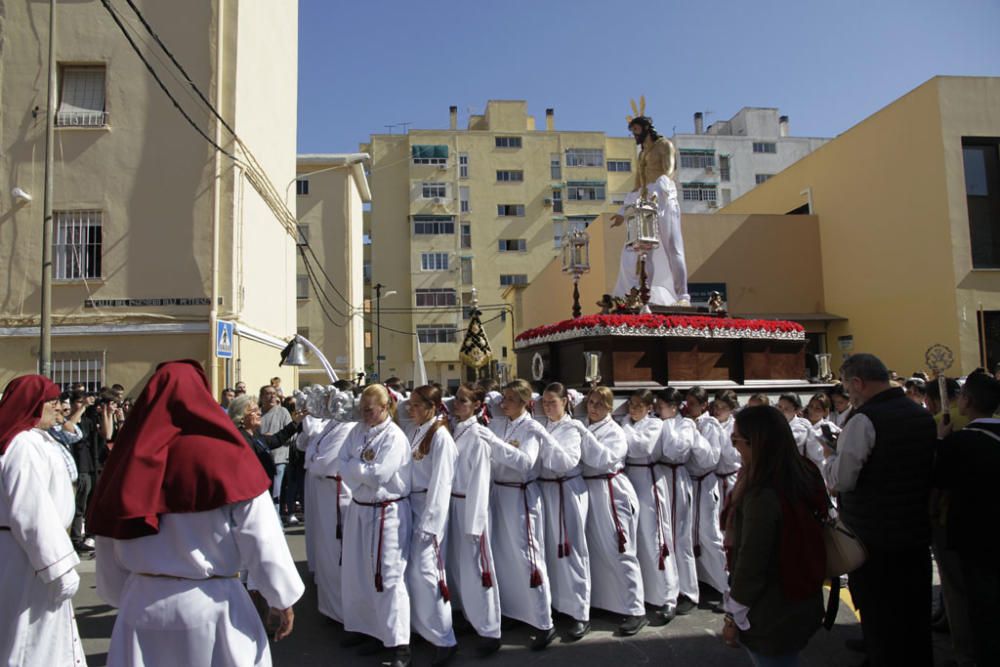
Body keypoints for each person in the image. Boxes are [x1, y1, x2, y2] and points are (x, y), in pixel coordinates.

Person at [89, 360, 304, 667]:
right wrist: (281, 598)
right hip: (212, 607)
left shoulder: (126, 459)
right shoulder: (228, 457)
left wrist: (121, 593)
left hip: (143, 604)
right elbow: (261, 537)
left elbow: (108, 534)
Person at [820, 353, 936, 667]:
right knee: (913, 607)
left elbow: (842, 479)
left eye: (847, 385)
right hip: (914, 527)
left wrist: (831, 455)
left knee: (880, 608)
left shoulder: (865, 420)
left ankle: (883, 654)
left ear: (858, 382)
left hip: (874, 533)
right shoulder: (919, 413)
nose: (848, 393)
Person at [720, 405, 828, 666]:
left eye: (737, 440)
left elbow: (752, 560)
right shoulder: (801, 470)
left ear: (757, 443)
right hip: (802, 592)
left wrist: (734, 615)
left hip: (773, 606)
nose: (735, 448)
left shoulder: (762, 493)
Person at [0, 375, 87, 666]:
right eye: (52, 402)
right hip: (28, 556)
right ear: (34, 405)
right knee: (29, 644)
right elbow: (31, 511)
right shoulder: (23, 444)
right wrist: (58, 566)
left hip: (33, 552)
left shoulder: (39, 440)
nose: (60, 408)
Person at [337, 384, 413, 667]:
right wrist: (359, 471)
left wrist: (355, 469)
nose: (365, 414)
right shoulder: (357, 431)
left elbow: (380, 474)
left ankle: (399, 644)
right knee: (360, 573)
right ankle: (371, 630)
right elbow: (339, 463)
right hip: (360, 509)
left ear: (385, 408)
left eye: (370, 409)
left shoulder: (393, 436)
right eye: (362, 409)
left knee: (389, 577)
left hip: (386, 512)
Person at [483, 379, 556, 650]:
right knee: (504, 555)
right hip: (499, 494)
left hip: (521, 495)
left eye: (510, 399)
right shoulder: (500, 423)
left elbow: (526, 462)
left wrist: (495, 444)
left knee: (528, 556)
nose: (504, 404)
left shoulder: (531, 428)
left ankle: (543, 621)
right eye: (503, 398)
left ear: (525, 402)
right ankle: (516, 610)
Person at [936, 373, 1000, 665]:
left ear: (969, 401)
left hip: (975, 536)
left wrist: (941, 441)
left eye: (961, 395)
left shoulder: (960, 442)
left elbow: (939, 479)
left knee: (981, 605)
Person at [580, 386, 647, 635]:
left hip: (611, 490)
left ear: (609, 407)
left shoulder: (615, 432)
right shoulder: (586, 425)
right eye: (590, 403)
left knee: (621, 549)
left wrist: (584, 437)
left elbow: (604, 459)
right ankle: (605, 601)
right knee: (596, 549)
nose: (593, 407)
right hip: (590, 490)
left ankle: (636, 609)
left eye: (599, 404)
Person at [610, 114, 689, 306]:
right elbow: (637, 185)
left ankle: (683, 296)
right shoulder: (641, 154)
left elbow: (669, 171)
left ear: (646, 128)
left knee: (673, 248)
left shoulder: (664, 145)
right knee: (644, 250)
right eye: (632, 132)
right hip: (645, 204)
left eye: (636, 130)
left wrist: (660, 188)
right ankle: (645, 296)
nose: (634, 135)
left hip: (663, 199)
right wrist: (622, 212)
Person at [404, 386, 458, 665]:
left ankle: (444, 637)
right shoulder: (417, 431)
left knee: (428, 574)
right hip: (411, 507)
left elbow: (441, 483)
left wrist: (431, 523)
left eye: (415, 405)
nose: (409, 409)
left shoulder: (440, 437)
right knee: (413, 573)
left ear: (431, 406)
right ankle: (421, 627)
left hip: (428, 510)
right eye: (410, 404)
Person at [447, 384, 501, 656]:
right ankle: (470, 615)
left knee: (480, 569)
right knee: (460, 567)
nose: (457, 404)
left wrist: (475, 523)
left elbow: (480, 481)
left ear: (477, 405)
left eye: (463, 401)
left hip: (471, 505)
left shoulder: (478, 436)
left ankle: (490, 629)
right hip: (455, 503)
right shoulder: (458, 430)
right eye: (456, 399)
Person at [536, 382, 592, 639]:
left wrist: (543, 439)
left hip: (566, 490)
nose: (548, 407)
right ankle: (559, 604)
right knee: (550, 550)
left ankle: (581, 612)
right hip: (546, 492)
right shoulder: (545, 425)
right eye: (545, 403)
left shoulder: (571, 428)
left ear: (565, 402)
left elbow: (565, 461)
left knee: (572, 551)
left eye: (553, 402)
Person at [622, 389, 678, 625]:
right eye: (631, 405)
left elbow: (640, 448)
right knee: (637, 539)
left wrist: (624, 427)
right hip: (629, 477)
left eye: (638, 406)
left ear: (649, 408)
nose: (633, 410)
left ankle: (668, 595)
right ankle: (646, 592)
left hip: (648, 480)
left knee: (656, 538)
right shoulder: (627, 424)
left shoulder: (654, 425)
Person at [655, 388, 710, 615]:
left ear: (674, 406)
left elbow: (675, 450)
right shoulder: (657, 423)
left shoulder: (684, 425)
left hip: (676, 479)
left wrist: (666, 425)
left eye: (661, 407)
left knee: (680, 538)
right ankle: (668, 587)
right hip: (660, 479)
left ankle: (689, 591)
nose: (657, 411)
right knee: (663, 537)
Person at [309, 384, 357, 624]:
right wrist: (314, 459)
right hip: (323, 491)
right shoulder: (331, 424)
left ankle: (343, 611)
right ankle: (330, 607)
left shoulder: (347, 427)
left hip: (336, 492)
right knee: (325, 550)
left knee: (336, 552)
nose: (331, 403)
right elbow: (308, 451)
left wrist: (314, 459)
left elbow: (324, 462)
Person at [684, 386, 729, 602]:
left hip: (705, 484)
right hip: (690, 484)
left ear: (704, 405)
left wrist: (693, 435)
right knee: (692, 535)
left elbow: (710, 459)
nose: (688, 407)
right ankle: (705, 580)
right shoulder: (688, 422)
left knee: (709, 534)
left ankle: (726, 586)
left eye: (693, 403)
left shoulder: (710, 425)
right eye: (688, 402)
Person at [229, 395, 303, 485]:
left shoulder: (254, 434)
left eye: (258, 410)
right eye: (254, 411)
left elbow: (276, 439)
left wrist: (296, 422)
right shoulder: (240, 438)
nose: (259, 413)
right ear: (241, 415)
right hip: (252, 489)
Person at [259, 385, 293, 519]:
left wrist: (273, 438)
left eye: (274, 393)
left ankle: (276, 522)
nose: (272, 396)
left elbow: (292, 435)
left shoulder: (283, 412)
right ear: (262, 397)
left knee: (275, 493)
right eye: (268, 394)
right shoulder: (258, 413)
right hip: (260, 459)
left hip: (278, 459)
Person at [777, 394, 824, 468]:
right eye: (779, 407)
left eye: (786, 409)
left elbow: (788, 442)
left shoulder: (802, 425)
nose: (781, 411)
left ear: (796, 410)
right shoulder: (775, 423)